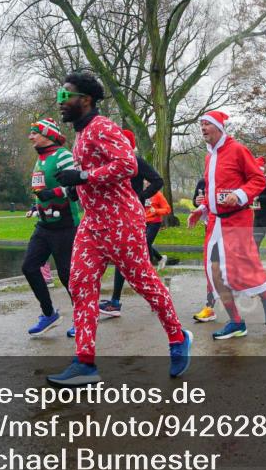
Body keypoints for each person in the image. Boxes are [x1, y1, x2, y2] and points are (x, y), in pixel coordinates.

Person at [47, 68, 190, 386]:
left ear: (84, 100)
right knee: (81, 286)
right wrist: (76, 187)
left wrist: (83, 177)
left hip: (122, 223)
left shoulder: (102, 127)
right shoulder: (82, 134)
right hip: (93, 224)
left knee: (145, 284)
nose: (60, 102)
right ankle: (85, 363)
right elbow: (96, 171)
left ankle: (178, 337)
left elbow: (127, 165)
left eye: (64, 96)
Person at [187, 111, 266, 340]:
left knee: (239, 270)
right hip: (215, 223)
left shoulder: (237, 149)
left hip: (237, 220)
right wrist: (201, 209)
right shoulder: (209, 156)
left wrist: (239, 194)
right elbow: (211, 190)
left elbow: (257, 180)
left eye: (207, 124)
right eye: (201, 125)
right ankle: (236, 322)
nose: (203, 128)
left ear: (219, 127)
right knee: (213, 272)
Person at [98, 128, 166, 318]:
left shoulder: (135, 161)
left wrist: (140, 197)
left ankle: (118, 302)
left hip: (130, 217)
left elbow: (157, 180)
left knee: (129, 261)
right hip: (115, 216)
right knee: (132, 262)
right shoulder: (113, 162)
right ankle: (156, 299)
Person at [22, 117, 81, 337]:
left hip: (65, 225)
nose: (30, 136)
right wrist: (36, 206)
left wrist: (53, 194)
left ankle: (82, 317)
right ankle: (49, 314)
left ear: (47, 134)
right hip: (44, 225)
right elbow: (40, 189)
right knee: (29, 267)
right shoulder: (39, 160)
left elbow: (76, 188)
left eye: (34, 132)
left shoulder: (63, 156)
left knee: (67, 275)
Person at [190, 177, 218, 323]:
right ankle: (209, 307)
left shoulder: (230, 178)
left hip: (231, 227)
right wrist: (198, 202)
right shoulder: (203, 181)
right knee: (211, 267)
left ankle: (262, 293)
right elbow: (195, 200)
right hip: (211, 227)